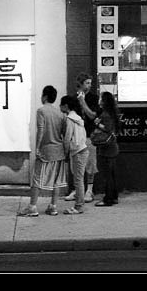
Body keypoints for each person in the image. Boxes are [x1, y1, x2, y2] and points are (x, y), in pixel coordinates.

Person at [18, 85, 67, 217]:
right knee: (56, 181)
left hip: (46, 150)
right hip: (59, 151)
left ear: (45, 96)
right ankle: (53, 206)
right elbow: (64, 133)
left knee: (37, 179)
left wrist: (37, 148)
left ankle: (32, 207)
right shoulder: (61, 114)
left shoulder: (41, 111)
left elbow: (41, 130)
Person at [65, 72, 99, 203]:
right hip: (77, 136)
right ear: (80, 84)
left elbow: (92, 115)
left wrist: (83, 102)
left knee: (90, 164)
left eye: (90, 83)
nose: (89, 86)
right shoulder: (72, 99)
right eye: (87, 83)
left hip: (89, 134)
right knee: (75, 164)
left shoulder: (94, 98)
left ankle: (89, 190)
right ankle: (76, 189)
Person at [60, 95, 88, 215]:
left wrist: (65, 153)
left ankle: (79, 206)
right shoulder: (78, 117)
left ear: (66, 106)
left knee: (78, 180)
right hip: (82, 150)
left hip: (78, 152)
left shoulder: (70, 119)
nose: (59, 106)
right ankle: (78, 205)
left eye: (61, 104)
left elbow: (67, 138)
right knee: (79, 179)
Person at [93, 91, 121, 207]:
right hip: (112, 147)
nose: (99, 101)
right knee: (112, 174)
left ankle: (108, 199)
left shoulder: (105, 114)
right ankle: (114, 196)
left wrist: (97, 124)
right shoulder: (112, 113)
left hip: (107, 148)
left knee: (108, 175)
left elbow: (108, 129)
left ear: (104, 102)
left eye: (101, 99)